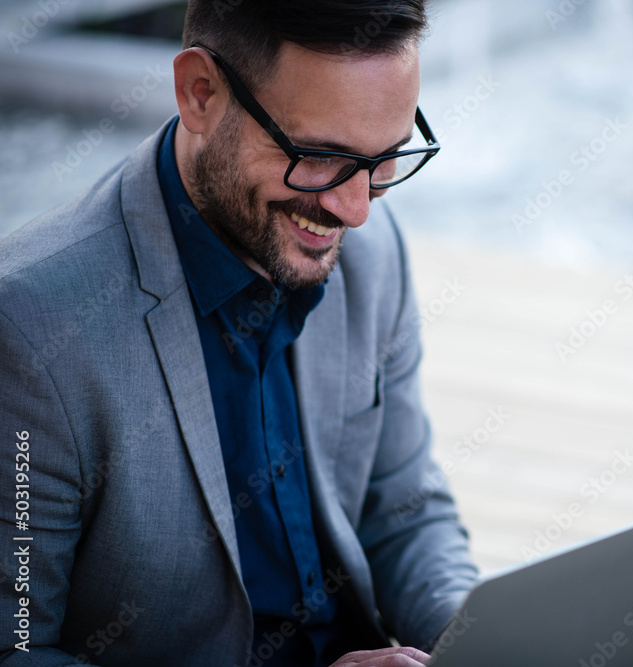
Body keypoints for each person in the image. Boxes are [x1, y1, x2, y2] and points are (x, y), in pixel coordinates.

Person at [0, 2, 478, 665]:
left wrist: (477, 639)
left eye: (387, 158)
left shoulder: (371, 250)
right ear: (200, 93)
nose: (357, 210)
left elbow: (404, 508)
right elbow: (15, 647)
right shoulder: (29, 331)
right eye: (322, 155)